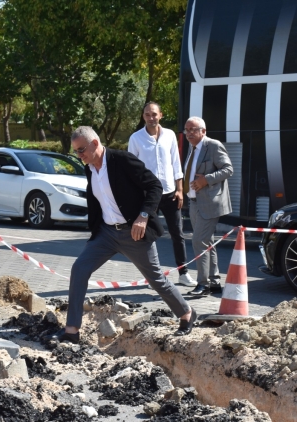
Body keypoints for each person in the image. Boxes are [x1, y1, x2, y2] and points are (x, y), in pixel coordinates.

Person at [43, 126, 197, 344]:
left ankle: (187, 314)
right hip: (106, 233)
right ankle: (71, 331)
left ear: (95, 143)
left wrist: (143, 216)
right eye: (76, 151)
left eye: (81, 150)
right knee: (79, 269)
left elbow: (154, 185)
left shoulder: (122, 160)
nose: (79, 155)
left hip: (133, 233)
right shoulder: (89, 168)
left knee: (156, 280)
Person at [128, 102, 197, 287]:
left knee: (178, 234)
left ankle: (183, 273)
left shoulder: (170, 135)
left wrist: (180, 189)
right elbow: (132, 168)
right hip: (148, 195)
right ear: (143, 116)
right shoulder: (136, 138)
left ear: (161, 115)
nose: (151, 118)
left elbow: (176, 162)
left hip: (170, 193)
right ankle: (153, 275)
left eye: (154, 114)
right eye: (147, 114)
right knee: (149, 236)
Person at [182, 117, 233, 296]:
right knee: (207, 243)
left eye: (193, 129)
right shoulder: (192, 147)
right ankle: (214, 282)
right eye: (186, 129)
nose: (188, 133)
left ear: (203, 131)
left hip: (210, 203)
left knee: (199, 241)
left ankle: (202, 284)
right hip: (194, 202)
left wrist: (205, 180)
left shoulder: (212, 145)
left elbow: (228, 169)